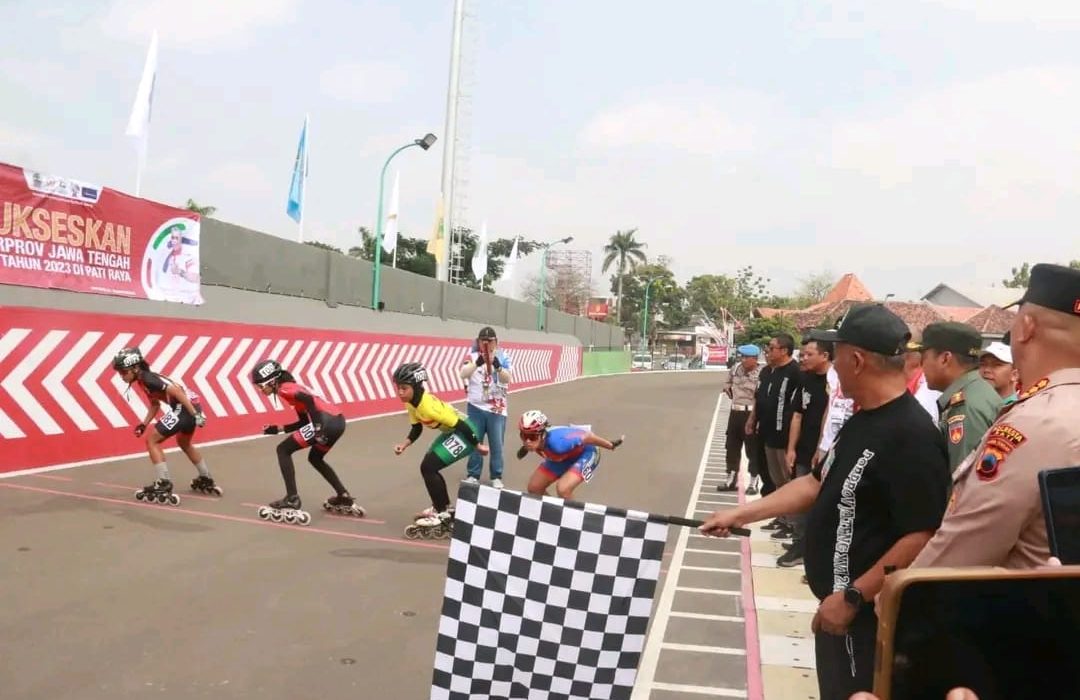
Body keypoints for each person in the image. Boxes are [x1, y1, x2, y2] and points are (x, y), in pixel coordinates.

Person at [700, 303, 950, 700]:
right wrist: (739, 513)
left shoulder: (912, 437)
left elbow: (921, 534)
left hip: (864, 617)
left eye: (836, 355)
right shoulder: (862, 420)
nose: (832, 365)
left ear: (856, 360)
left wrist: (852, 597)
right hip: (837, 608)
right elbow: (815, 484)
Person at [911, 263, 1080, 569]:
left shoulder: (1035, 422)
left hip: (1030, 612)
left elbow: (957, 556)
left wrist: (893, 599)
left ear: (1026, 326)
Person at [250, 359, 364, 525]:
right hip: (337, 422)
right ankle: (343, 495)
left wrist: (317, 428)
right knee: (315, 459)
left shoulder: (284, 389)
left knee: (283, 450)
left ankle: (292, 498)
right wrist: (276, 429)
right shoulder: (291, 388)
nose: (260, 390)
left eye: (261, 386)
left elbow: (309, 400)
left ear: (272, 381)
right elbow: (302, 423)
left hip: (325, 422)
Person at [391, 361, 488, 537]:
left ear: (415, 386)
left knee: (428, 466)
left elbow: (461, 425)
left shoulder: (429, 407)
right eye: (398, 387)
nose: (400, 392)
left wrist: (478, 445)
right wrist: (404, 444)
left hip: (466, 432)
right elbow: (416, 428)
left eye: (404, 388)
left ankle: (442, 511)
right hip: (453, 432)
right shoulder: (411, 402)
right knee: (429, 466)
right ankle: (443, 508)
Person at [112, 346, 216, 505]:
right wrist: (143, 424)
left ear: (135, 368)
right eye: (119, 373)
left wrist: (196, 415)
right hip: (190, 407)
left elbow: (177, 391)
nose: (121, 376)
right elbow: (155, 405)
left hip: (184, 408)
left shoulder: (148, 378)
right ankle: (205, 477)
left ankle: (164, 482)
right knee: (184, 442)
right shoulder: (143, 380)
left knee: (152, 441)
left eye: (124, 372)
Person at [911, 322, 1003, 471]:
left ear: (945, 359)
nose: (922, 365)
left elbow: (962, 480)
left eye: (924, 356)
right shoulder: (975, 392)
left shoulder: (965, 408)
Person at [778, 337, 835, 567]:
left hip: (823, 453)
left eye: (809, 354)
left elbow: (830, 418)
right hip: (803, 450)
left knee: (819, 505)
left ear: (825, 355)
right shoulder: (805, 379)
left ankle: (810, 550)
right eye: (802, 354)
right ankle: (799, 543)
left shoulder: (835, 382)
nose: (803, 358)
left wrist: (822, 446)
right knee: (800, 501)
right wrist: (791, 448)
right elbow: (797, 415)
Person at [748, 333, 802, 537]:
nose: (767, 352)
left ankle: (792, 522)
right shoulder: (766, 371)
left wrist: (792, 444)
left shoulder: (795, 373)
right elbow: (759, 398)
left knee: (788, 479)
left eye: (771, 348)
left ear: (784, 351)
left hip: (783, 433)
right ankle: (781, 517)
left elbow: (798, 409)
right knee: (774, 477)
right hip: (766, 431)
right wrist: (752, 418)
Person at [516, 410, 624, 500]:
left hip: (586, 452)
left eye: (532, 437)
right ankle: (555, 511)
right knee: (534, 488)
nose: (528, 442)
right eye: (524, 436)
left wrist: (610, 445)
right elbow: (529, 440)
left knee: (563, 489)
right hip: (562, 457)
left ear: (543, 435)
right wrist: (525, 448)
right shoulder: (535, 441)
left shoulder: (558, 444)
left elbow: (588, 437)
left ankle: (574, 518)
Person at [459, 326, 513, 489]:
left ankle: (496, 475)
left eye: (490, 341)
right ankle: (473, 474)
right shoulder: (472, 356)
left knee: (497, 444)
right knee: (475, 441)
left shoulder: (503, 357)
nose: (487, 344)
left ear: (496, 342)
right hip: (476, 406)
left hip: (497, 409)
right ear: (478, 342)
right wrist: (478, 363)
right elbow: (463, 373)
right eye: (483, 341)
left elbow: (507, 378)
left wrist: (497, 366)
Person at [719, 344, 762, 494]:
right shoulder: (736, 368)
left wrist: (755, 418)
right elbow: (727, 383)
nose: (743, 360)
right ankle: (731, 478)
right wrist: (728, 390)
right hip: (735, 412)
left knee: (752, 449)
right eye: (741, 356)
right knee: (731, 446)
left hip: (751, 413)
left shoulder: (762, 373)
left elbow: (761, 397)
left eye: (746, 357)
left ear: (755, 358)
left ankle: (753, 481)